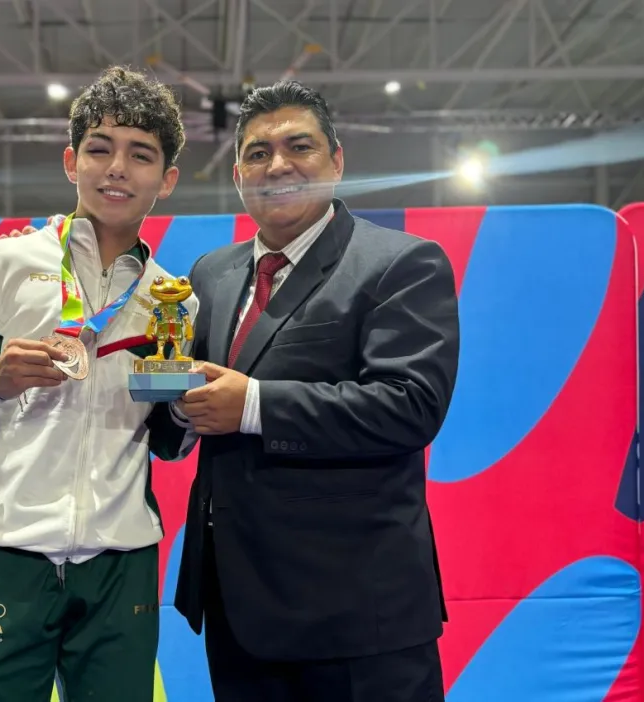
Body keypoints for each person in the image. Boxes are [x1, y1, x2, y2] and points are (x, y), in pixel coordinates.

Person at [0, 66, 197, 702]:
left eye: (140, 155)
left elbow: (170, 444)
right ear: (71, 161)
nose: (117, 168)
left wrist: (186, 408)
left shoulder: (173, 301)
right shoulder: (3, 264)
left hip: (122, 564)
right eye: (99, 148)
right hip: (5, 557)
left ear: (166, 180)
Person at [163, 80, 460, 701]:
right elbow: (190, 401)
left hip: (358, 617)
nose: (279, 165)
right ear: (239, 173)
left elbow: (410, 406)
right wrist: (173, 406)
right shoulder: (210, 275)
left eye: (299, 146)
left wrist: (252, 405)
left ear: (337, 160)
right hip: (237, 609)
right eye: (257, 153)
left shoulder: (401, 263)